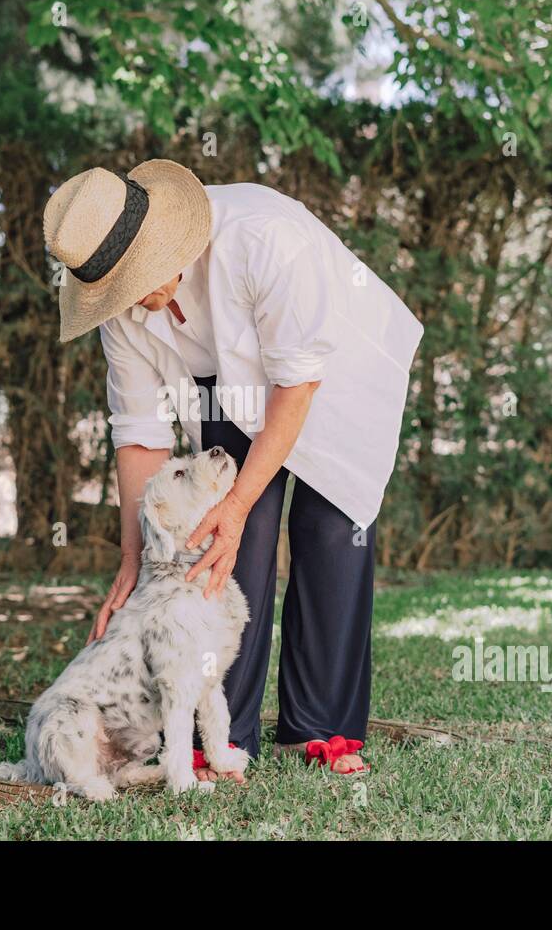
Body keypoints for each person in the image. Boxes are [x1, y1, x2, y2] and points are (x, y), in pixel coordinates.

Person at [42, 159, 422, 777]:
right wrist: (135, 559)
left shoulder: (263, 239)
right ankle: (219, 734)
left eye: (134, 278)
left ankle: (319, 729)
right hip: (222, 385)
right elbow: (140, 436)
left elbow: (297, 386)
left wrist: (240, 505)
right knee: (212, 541)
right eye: (114, 289)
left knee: (330, 533)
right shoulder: (121, 310)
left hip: (330, 372)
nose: (132, 299)